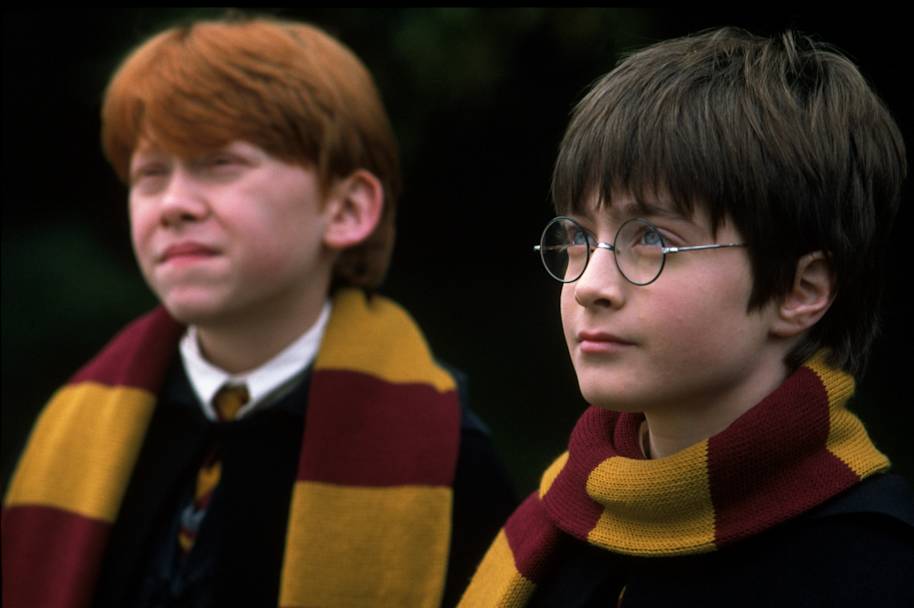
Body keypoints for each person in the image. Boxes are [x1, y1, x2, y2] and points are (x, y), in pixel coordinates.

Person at [2, 14, 515, 608]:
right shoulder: (75, 435)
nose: (173, 204)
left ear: (347, 210)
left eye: (221, 164)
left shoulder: (445, 454)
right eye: (150, 174)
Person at [460, 26, 913, 607]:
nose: (590, 285)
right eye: (579, 237)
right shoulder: (558, 522)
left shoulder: (871, 568)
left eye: (652, 239)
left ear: (799, 291)